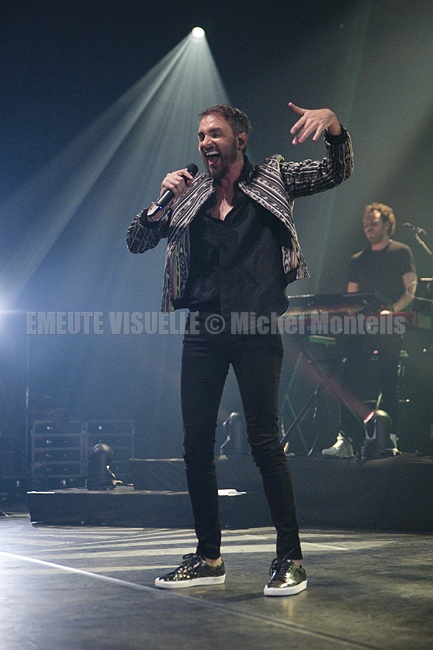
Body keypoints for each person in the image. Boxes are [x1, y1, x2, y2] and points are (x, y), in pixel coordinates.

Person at [127, 102, 354, 596]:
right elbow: (136, 240)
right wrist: (159, 203)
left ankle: (290, 558)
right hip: (204, 329)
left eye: (215, 134)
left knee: (264, 441)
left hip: (255, 327)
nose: (205, 142)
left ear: (240, 139)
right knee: (195, 446)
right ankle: (209, 557)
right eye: (201, 136)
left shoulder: (273, 177)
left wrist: (334, 128)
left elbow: (336, 170)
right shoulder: (189, 194)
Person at [322, 202, 417, 458]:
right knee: (348, 379)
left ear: (387, 224)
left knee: (389, 381)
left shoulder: (401, 252)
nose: (368, 227)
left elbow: (411, 289)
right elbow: (352, 298)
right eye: (366, 224)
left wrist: (392, 310)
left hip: (390, 324)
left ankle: (390, 438)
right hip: (363, 328)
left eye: (373, 223)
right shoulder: (358, 259)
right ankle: (346, 439)